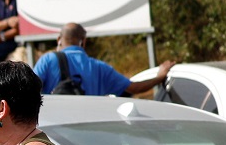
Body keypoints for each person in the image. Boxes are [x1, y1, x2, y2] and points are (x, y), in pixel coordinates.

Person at [33, 23, 174, 96]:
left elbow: (28, 90)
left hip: (54, 130)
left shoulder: (47, 60)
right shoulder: (100, 67)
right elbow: (135, 88)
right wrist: (160, 76)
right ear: (83, 41)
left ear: (59, 40)